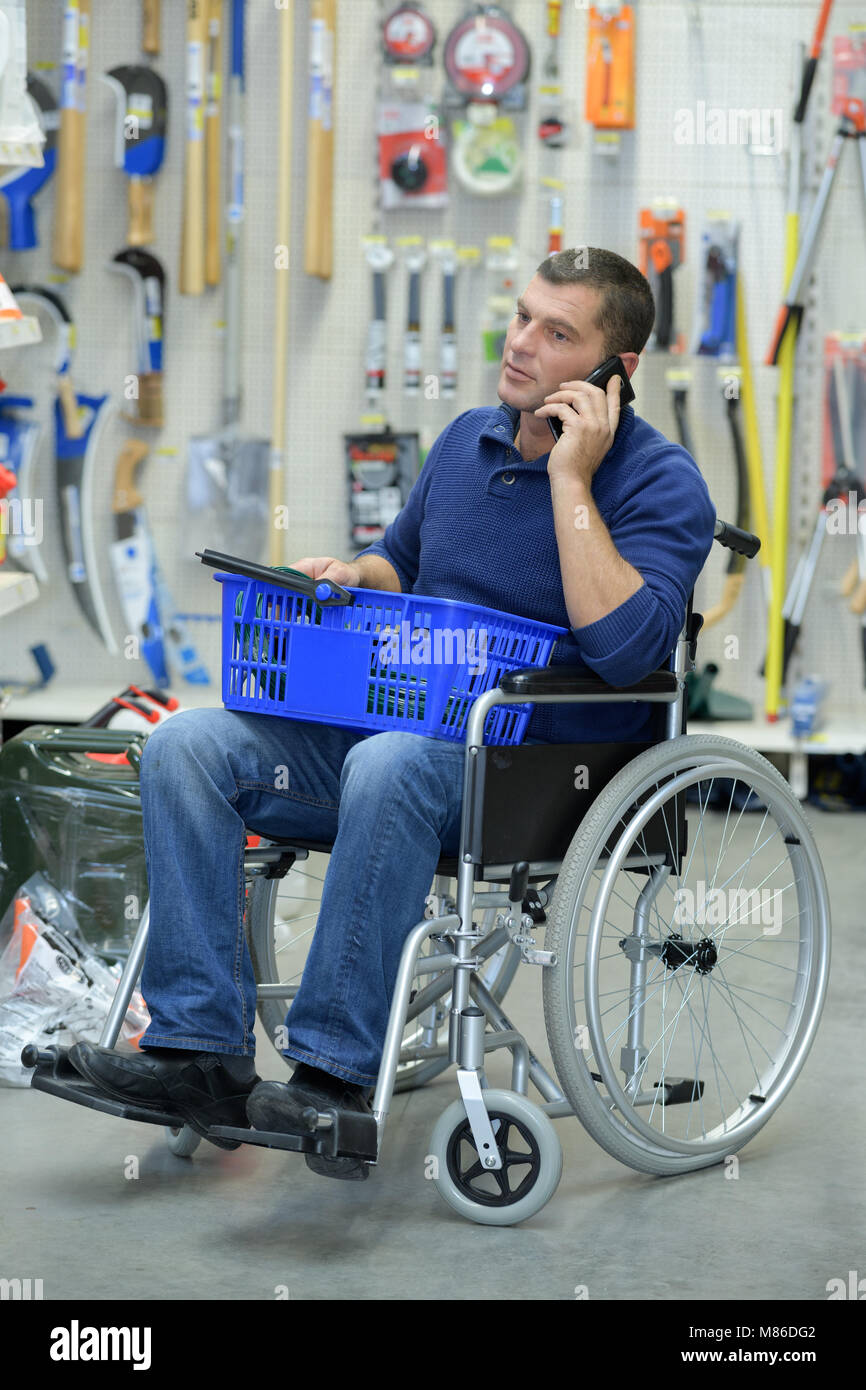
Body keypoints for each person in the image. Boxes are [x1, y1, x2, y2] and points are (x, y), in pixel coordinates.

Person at [69, 248, 717, 1180]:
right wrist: (352, 576)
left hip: (534, 776)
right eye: (524, 315)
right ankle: (199, 1055)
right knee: (186, 744)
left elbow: (625, 651)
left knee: (391, 764)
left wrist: (574, 481)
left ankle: (332, 1076)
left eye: (558, 332)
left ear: (619, 373)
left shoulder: (661, 484)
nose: (521, 342)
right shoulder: (465, 442)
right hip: (396, 732)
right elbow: (401, 565)